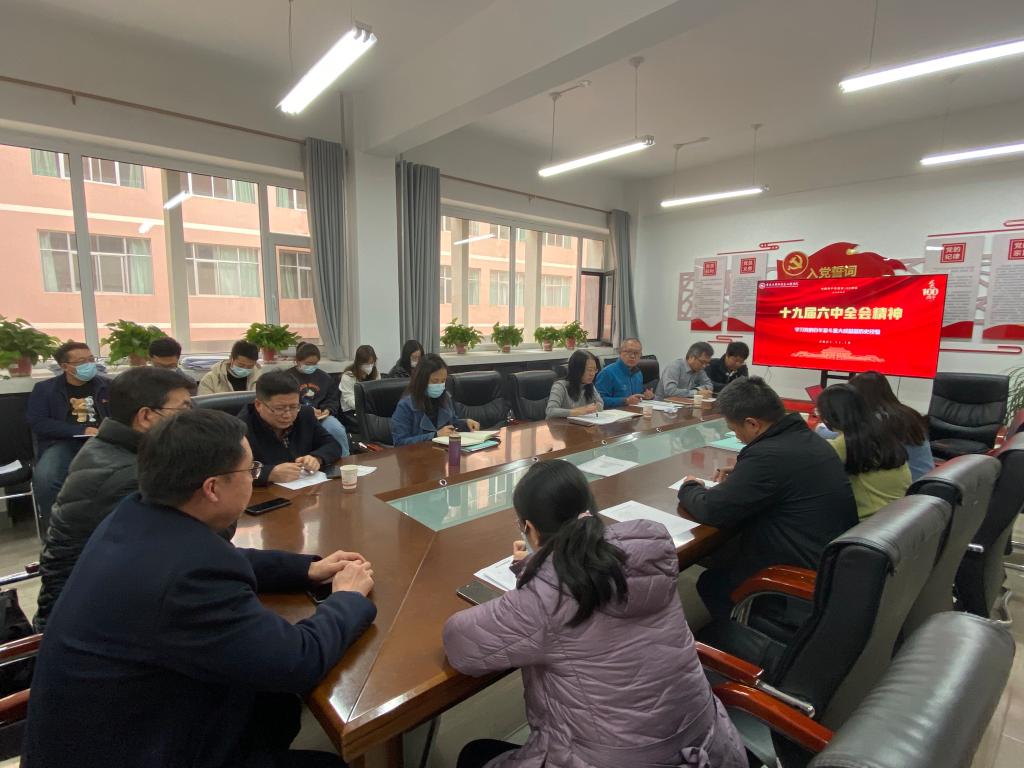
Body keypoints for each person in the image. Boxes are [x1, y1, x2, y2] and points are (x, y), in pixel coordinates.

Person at [21, 409, 376, 768]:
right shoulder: (188, 578)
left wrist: (306, 569)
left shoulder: (137, 513)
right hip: (142, 746)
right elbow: (297, 661)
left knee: (273, 704)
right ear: (212, 488)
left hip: (125, 719)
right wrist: (346, 598)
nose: (254, 478)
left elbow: (223, 559)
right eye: (250, 471)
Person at [444, 460, 746, 768]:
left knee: (475, 753)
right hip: (710, 747)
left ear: (530, 529)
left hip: (612, 760)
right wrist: (541, 572)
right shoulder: (650, 555)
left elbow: (460, 646)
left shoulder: (543, 601)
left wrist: (533, 572)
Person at [677, 377, 857, 619]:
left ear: (752, 424)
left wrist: (689, 486)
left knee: (712, 582)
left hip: (796, 580)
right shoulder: (804, 438)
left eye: (734, 430)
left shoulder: (768, 456)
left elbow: (711, 509)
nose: (737, 437)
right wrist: (745, 473)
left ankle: (743, 632)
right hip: (827, 563)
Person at [34, 366, 195, 631]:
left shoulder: (112, 446)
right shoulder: (130, 476)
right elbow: (188, 545)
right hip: (90, 623)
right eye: (184, 410)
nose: (192, 419)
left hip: (98, 599)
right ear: (146, 416)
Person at [26, 341, 111, 532]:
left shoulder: (108, 386)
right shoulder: (45, 389)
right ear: (65, 366)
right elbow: (38, 423)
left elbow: (121, 415)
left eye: (91, 359)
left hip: (103, 441)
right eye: (81, 361)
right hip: (62, 442)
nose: (89, 364)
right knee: (46, 478)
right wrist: (80, 430)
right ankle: (56, 533)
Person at [815, 371, 934, 481]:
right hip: (925, 480)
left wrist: (820, 427)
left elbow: (850, 438)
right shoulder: (907, 412)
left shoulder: (878, 420)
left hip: (907, 485)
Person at [816, 383, 911, 519]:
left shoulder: (847, 443)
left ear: (830, 415)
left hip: (869, 521)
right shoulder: (882, 433)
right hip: (898, 516)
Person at [238, 370, 344, 485]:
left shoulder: (304, 414)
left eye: (294, 407)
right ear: (258, 405)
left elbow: (333, 445)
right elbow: (231, 471)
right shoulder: (240, 427)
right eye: (279, 408)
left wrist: (317, 458)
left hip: (305, 489)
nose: (288, 415)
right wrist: (269, 473)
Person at [391, 353, 480, 445]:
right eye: (435, 381)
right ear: (422, 380)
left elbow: (452, 423)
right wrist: (435, 435)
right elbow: (399, 442)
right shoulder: (406, 405)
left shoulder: (445, 398)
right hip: (418, 453)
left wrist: (465, 424)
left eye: (443, 381)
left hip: (443, 451)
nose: (439, 385)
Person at [292, 342, 350, 456]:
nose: (311, 367)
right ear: (297, 361)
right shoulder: (288, 377)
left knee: (337, 429)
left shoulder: (325, 378)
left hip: (321, 418)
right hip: (295, 417)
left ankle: (345, 459)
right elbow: (286, 402)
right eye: (308, 364)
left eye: (315, 364)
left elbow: (332, 400)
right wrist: (306, 411)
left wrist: (327, 410)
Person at [593, 337, 654, 407]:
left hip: (635, 411)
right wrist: (625, 401)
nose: (632, 356)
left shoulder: (638, 373)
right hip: (615, 413)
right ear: (620, 352)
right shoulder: (607, 373)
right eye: (628, 352)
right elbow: (598, 401)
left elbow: (637, 397)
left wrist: (647, 396)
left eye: (636, 353)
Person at [546, 350, 604, 418]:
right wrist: (579, 411)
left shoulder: (588, 384)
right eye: (589, 370)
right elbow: (550, 411)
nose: (592, 374)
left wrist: (595, 407)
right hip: (557, 424)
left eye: (594, 370)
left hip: (579, 423)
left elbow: (600, 404)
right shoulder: (560, 386)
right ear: (577, 370)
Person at [339, 344, 381, 430]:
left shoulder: (376, 373)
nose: (369, 366)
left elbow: (378, 393)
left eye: (372, 363)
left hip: (371, 409)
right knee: (371, 425)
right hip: (352, 411)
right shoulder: (348, 376)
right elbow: (349, 399)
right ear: (358, 363)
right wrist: (367, 407)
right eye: (366, 364)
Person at [198, 340, 262, 395]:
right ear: (231, 359)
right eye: (241, 365)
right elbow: (204, 404)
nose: (245, 369)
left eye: (250, 366)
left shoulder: (259, 378)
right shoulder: (210, 379)